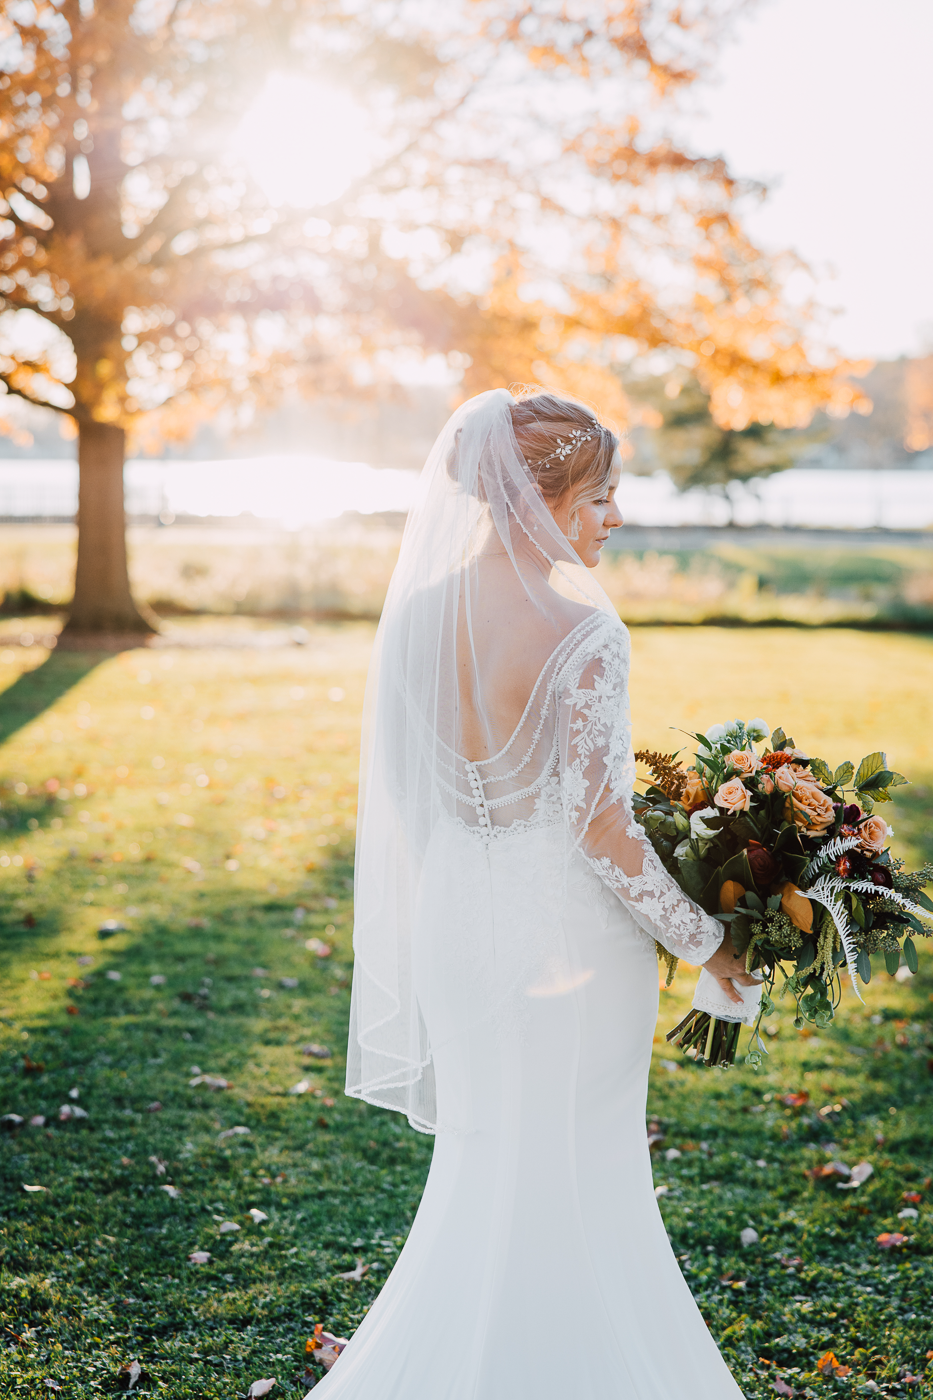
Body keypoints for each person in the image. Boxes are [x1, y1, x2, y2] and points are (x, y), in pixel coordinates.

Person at [313, 386, 757, 1399]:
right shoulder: (582, 630)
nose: (615, 515)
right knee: (581, 1167)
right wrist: (708, 940)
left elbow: (408, 793)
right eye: (604, 494)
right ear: (544, 499)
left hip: (460, 926)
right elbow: (603, 828)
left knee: (487, 1167)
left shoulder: (417, 617)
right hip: (569, 944)